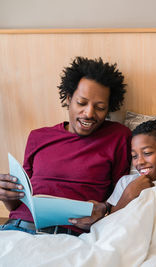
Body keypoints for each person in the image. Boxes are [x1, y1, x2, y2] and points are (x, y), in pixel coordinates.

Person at [0, 57, 132, 236]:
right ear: (69, 98)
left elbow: (122, 193)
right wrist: (7, 196)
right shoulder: (38, 137)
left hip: (72, 236)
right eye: (81, 103)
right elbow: (21, 201)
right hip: (17, 227)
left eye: (100, 107)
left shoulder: (117, 136)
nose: (89, 113)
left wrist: (104, 210)